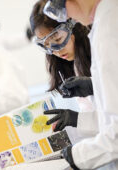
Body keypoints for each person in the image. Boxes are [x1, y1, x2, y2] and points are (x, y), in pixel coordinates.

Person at [41, 0, 118, 169]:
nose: (68, 17)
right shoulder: (103, 23)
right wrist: (94, 86)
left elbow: (115, 135)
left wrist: (78, 155)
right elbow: (110, 120)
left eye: (57, 38)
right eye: (46, 45)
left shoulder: (109, 28)